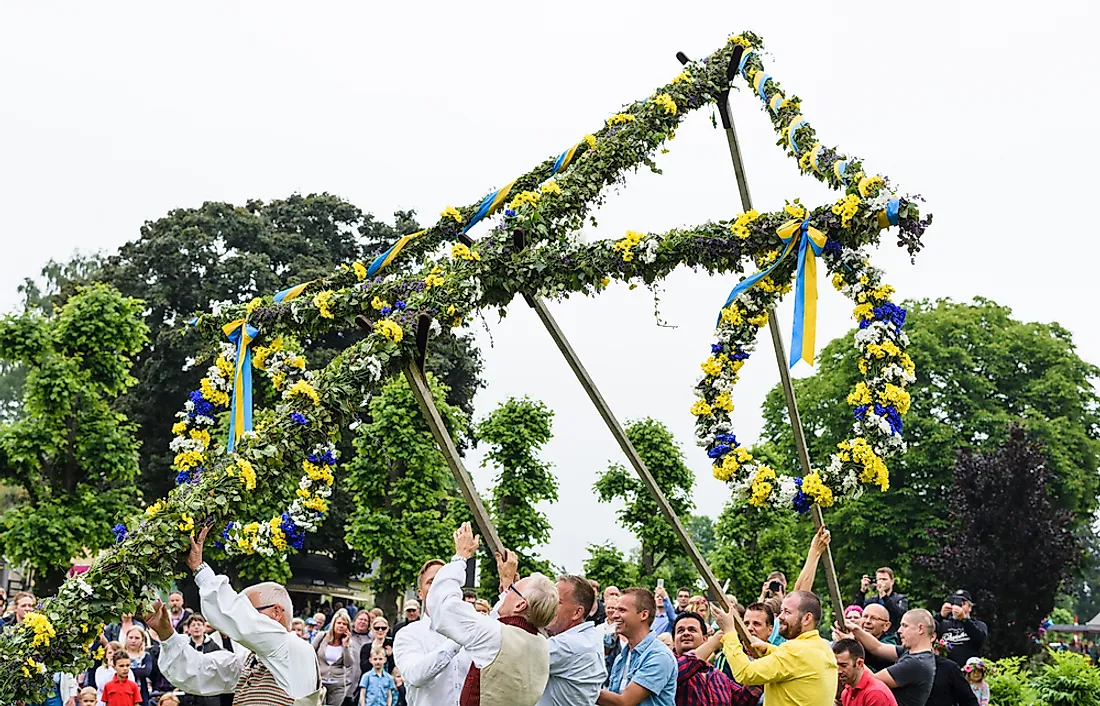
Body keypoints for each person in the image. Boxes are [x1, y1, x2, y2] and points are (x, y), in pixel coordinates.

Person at [148, 525, 323, 705]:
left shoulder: (294, 649)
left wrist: (200, 569)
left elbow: (240, 619)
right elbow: (197, 671)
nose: (244, 615)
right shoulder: (249, 661)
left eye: (249, 609)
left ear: (277, 612)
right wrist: (166, 634)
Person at [427, 523, 557, 706]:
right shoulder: (542, 645)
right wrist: (506, 583)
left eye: (512, 588)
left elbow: (443, 608)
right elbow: (501, 631)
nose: (507, 590)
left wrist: (460, 557)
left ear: (520, 605)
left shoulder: (494, 635)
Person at [713, 590, 838, 706]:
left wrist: (729, 632)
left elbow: (745, 674)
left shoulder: (795, 650)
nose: (780, 617)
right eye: (781, 611)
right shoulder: (823, 648)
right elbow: (797, 665)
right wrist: (768, 649)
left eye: (787, 612)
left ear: (807, 618)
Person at [392, 559, 470, 706]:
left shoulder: (472, 629)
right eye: (431, 581)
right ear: (420, 594)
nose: (438, 586)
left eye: (443, 580)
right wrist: (457, 637)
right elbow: (415, 675)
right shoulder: (408, 634)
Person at [597, 587, 677, 706]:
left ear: (643, 615)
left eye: (622, 610)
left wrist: (579, 687)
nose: (614, 615)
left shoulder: (659, 656)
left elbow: (625, 702)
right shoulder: (621, 657)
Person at [841, 609, 936, 706]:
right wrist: (855, 629)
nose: (899, 631)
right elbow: (877, 647)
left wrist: (849, 648)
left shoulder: (916, 663)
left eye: (904, 626)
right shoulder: (912, 653)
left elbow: (870, 680)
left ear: (920, 629)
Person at [538, 575, 605, 706]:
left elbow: (514, 655)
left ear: (577, 612)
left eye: (557, 601)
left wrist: (510, 592)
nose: (548, 605)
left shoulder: (568, 644)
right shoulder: (589, 636)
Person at [671, 611, 761, 706]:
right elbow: (677, 671)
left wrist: (761, 666)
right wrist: (712, 644)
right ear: (673, 640)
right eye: (680, 631)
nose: (686, 633)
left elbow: (743, 700)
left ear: (705, 638)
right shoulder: (668, 666)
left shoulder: (718, 676)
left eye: (692, 630)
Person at [833, 638, 897, 706]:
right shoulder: (846, 692)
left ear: (860, 663)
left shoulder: (875, 693)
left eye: (843, 665)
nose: (838, 671)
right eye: (835, 665)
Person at [312, 608, 355, 706]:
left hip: (337, 685)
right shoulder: (322, 636)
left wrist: (345, 646)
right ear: (333, 624)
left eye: (344, 624)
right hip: (319, 682)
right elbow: (310, 652)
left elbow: (348, 663)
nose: (341, 626)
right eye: (339, 623)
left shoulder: (348, 643)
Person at [935, 591, 987, 668]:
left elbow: (979, 639)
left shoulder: (978, 624)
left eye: (963, 604)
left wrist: (964, 620)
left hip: (969, 671)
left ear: (970, 608)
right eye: (955, 603)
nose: (959, 606)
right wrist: (940, 615)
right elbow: (927, 633)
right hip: (947, 671)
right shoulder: (944, 624)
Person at [853, 570, 907, 638]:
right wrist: (862, 591)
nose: (881, 582)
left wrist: (884, 595)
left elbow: (900, 614)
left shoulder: (900, 598)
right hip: (871, 637)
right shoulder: (871, 600)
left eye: (884, 579)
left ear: (892, 581)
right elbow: (856, 610)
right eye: (879, 579)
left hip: (893, 637)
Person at [856, 605, 899, 673]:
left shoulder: (890, 643)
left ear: (886, 626)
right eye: (865, 616)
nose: (867, 621)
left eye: (874, 618)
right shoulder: (855, 636)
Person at [122, 625, 155, 705]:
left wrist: (126, 671)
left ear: (142, 640)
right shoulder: (121, 655)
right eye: (131, 637)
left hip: (141, 693)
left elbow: (145, 672)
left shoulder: (146, 656)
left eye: (137, 638)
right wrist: (138, 670)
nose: (133, 641)